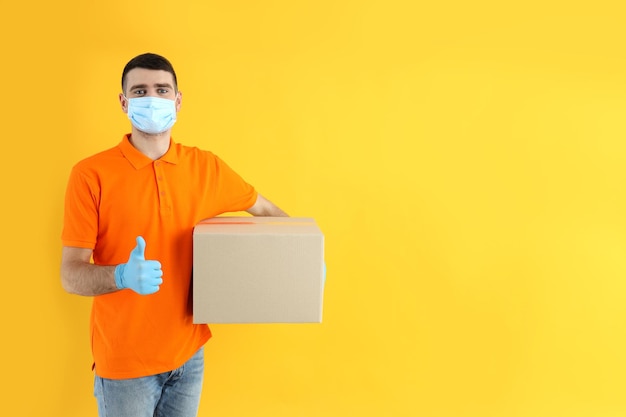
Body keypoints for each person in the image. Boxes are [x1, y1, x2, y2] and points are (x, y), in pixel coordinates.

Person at [60, 52, 288, 417]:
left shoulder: (206, 168)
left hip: (189, 355)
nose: (152, 98)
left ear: (177, 100)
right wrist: (120, 275)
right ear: (123, 102)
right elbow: (70, 275)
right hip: (125, 367)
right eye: (140, 91)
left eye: (162, 89)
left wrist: (301, 262)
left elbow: (267, 211)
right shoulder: (91, 175)